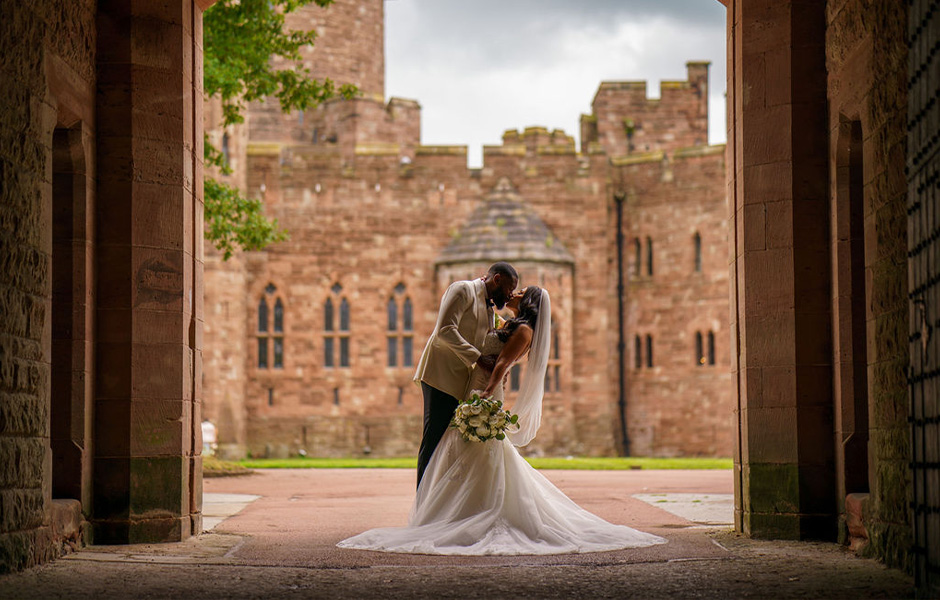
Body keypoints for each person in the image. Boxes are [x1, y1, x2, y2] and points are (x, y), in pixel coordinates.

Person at [337, 286, 667, 555]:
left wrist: (487, 392)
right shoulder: (508, 322)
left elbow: (504, 364)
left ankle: (476, 511)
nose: (515, 292)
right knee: (464, 449)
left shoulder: (524, 330)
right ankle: (459, 510)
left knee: (477, 449)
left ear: (530, 301)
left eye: (521, 291)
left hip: (485, 390)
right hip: (476, 386)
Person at [411, 262, 518, 487]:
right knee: (433, 439)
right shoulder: (461, 290)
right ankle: (423, 501)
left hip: (462, 380)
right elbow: (445, 330)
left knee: (447, 444)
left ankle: (440, 500)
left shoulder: (490, 309)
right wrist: (478, 357)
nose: (509, 296)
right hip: (440, 374)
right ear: (496, 279)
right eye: (509, 289)